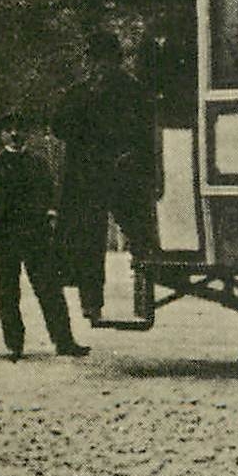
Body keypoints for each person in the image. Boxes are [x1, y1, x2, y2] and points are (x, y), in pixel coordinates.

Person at [52, 29, 159, 324]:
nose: (99, 67)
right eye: (95, 60)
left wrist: (132, 156)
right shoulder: (79, 92)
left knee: (139, 234)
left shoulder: (133, 91)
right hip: (87, 176)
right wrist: (86, 99)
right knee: (88, 241)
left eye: (105, 60)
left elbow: (146, 132)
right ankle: (91, 303)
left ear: (116, 61)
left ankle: (144, 295)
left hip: (123, 173)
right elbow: (59, 127)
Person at [0, 109, 89, 359]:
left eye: (20, 129)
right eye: (9, 130)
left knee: (49, 289)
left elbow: (51, 195)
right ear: (1, 135)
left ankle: (64, 342)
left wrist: (50, 215)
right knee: (7, 291)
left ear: (28, 134)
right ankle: (15, 344)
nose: (15, 134)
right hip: (5, 237)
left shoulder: (38, 164)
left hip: (35, 236)